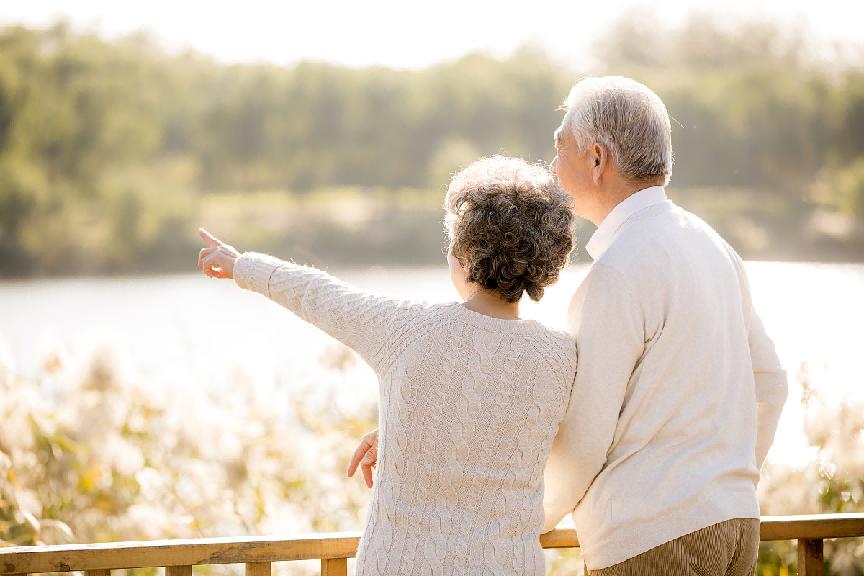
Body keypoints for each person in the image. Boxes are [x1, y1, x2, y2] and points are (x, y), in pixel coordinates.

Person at [350, 77, 789, 575]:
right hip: (736, 525)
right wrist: (727, 486)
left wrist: (519, 523)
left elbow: (584, 439)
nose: (552, 167)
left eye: (560, 148)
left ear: (597, 159)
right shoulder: (714, 246)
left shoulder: (619, 272)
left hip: (649, 538)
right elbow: (771, 383)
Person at [196, 156, 579, 575]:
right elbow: (520, 434)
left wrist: (241, 265)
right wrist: (401, 428)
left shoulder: (405, 329)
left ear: (463, 252)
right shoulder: (561, 357)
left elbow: (319, 294)